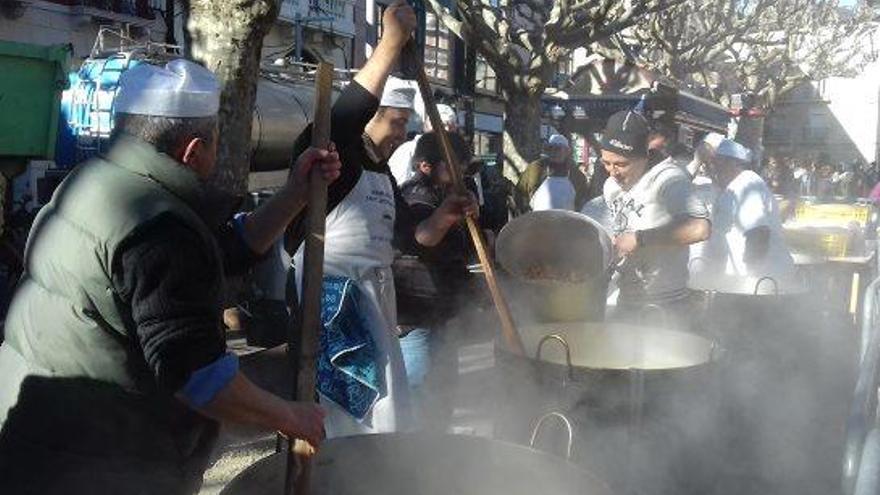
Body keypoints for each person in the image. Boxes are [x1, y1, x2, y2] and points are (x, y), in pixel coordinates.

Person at [0, 59, 337, 494]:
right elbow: (197, 375)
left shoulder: (98, 181)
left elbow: (223, 251)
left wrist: (294, 194)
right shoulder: (159, 228)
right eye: (215, 146)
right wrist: (292, 416)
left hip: (34, 433)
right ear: (193, 150)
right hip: (100, 461)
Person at [286, 1, 476, 437]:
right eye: (395, 121)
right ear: (371, 114)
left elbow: (413, 238)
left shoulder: (381, 170)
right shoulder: (332, 153)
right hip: (332, 306)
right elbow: (340, 120)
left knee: (383, 422)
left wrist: (446, 216)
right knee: (336, 424)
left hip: (375, 303)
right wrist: (390, 45)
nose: (401, 135)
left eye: (406, 124)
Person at [393, 131, 477, 430]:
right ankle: (416, 456)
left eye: (463, 167)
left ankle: (440, 450)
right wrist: (448, 215)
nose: (461, 173)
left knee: (443, 389)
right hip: (415, 316)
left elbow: (460, 249)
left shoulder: (447, 194)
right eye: (453, 167)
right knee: (418, 393)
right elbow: (423, 237)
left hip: (441, 312)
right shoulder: (415, 194)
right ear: (425, 166)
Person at [598, 109, 710, 324]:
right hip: (627, 300)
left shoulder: (668, 179)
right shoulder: (610, 186)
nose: (612, 172)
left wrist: (640, 239)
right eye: (606, 163)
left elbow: (700, 228)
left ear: (643, 155)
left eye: (621, 164)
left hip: (666, 307)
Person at [702, 139, 795, 280]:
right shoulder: (731, 187)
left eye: (716, 163)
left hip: (762, 280)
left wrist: (750, 278)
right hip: (740, 278)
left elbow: (758, 234)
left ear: (732, 163)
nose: (712, 168)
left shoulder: (747, 185)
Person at [515, 134, 588, 213]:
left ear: (567, 151)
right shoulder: (535, 169)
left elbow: (583, 202)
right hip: (537, 221)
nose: (554, 152)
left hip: (566, 222)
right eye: (550, 148)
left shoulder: (576, 175)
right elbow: (519, 194)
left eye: (558, 149)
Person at [388, 102, 457, 186]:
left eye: (450, 126)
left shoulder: (454, 155)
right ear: (427, 125)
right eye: (442, 125)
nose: (446, 130)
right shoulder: (408, 149)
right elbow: (398, 185)